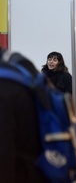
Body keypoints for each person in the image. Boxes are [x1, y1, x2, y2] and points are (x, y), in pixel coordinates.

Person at [0, 49, 49, 182]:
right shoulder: (21, 65)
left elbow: (5, 153)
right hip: (39, 169)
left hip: (17, 172)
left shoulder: (4, 88)